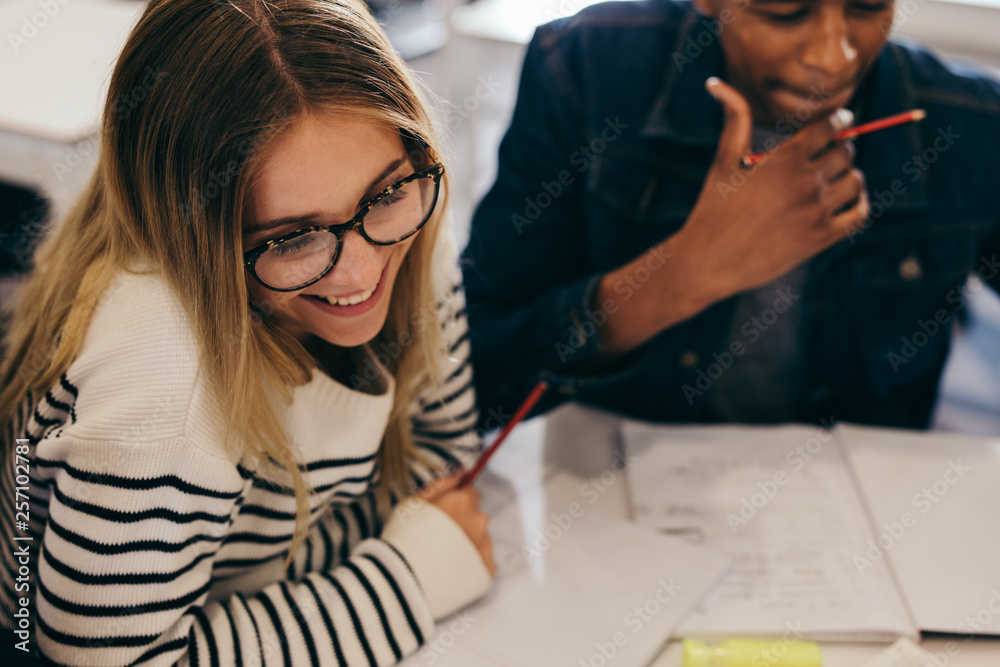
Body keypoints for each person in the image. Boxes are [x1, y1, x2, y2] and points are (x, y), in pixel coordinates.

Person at [0, 0, 493, 664]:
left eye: (384, 192)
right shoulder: (160, 372)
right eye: (291, 236)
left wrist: (257, 608)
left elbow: (441, 468)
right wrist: (403, 580)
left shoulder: (408, 215)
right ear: (195, 238)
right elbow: (112, 660)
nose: (363, 269)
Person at [462, 0, 1000, 429]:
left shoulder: (970, 121)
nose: (835, 58)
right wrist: (684, 272)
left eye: (867, 6)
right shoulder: (585, 69)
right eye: (785, 11)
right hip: (614, 501)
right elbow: (476, 376)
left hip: (868, 524)